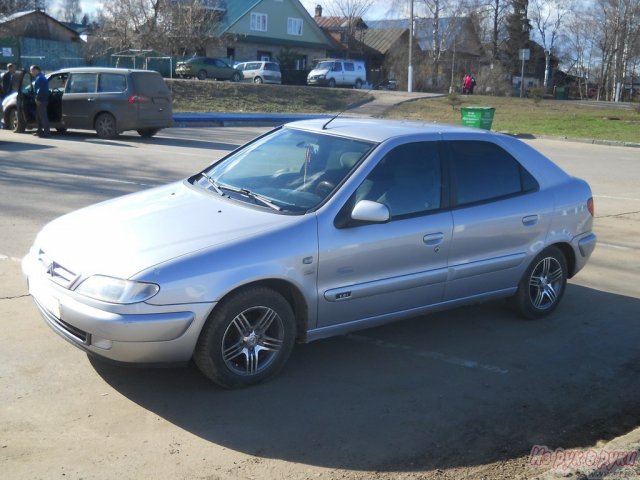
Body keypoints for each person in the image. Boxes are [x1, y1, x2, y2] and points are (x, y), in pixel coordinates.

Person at [30, 65, 50, 137]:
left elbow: (41, 90)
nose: (31, 72)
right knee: (38, 116)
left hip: (41, 100)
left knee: (43, 116)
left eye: (31, 70)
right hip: (41, 99)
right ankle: (39, 131)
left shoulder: (40, 78)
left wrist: (38, 99)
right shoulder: (40, 77)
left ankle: (46, 133)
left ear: (36, 70)